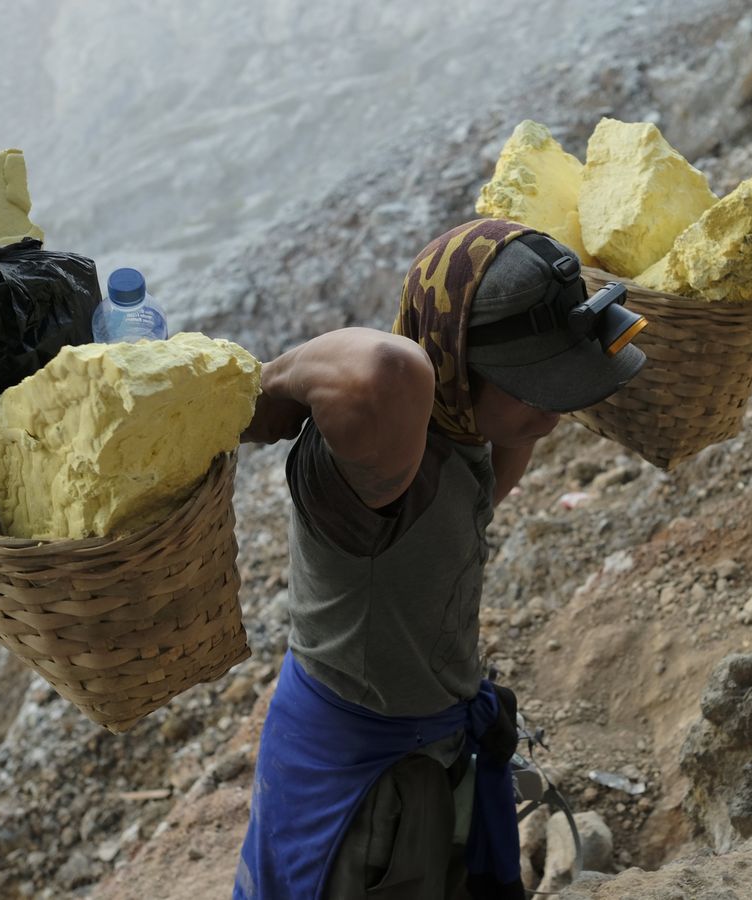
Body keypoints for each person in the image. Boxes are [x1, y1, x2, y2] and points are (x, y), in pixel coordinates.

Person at [233, 218, 647, 900]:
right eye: (532, 385)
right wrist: (271, 387)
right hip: (358, 777)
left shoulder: (470, 438)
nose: (550, 414)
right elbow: (387, 372)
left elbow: (496, 407)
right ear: (451, 362)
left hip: (433, 750)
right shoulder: (376, 472)